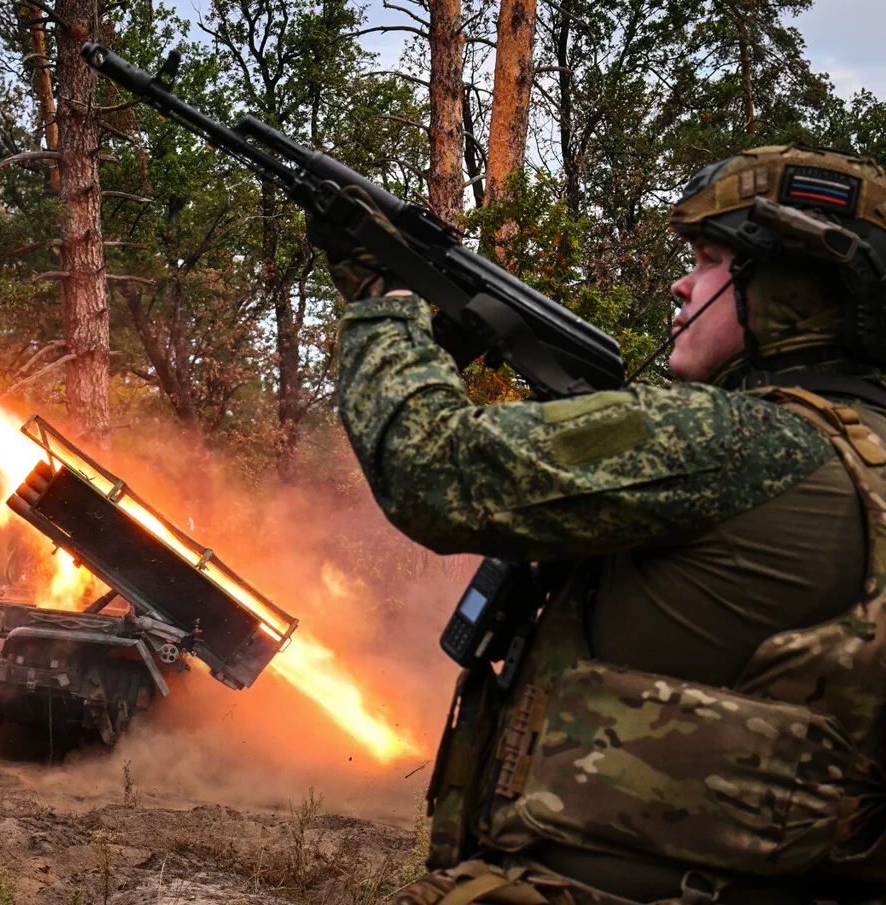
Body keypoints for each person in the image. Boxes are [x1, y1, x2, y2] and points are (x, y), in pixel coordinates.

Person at [314, 145, 886, 904]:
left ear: (790, 288)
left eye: (710, 261)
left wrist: (383, 297)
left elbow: (431, 467)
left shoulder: (737, 442)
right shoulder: (860, 456)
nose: (683, 285)